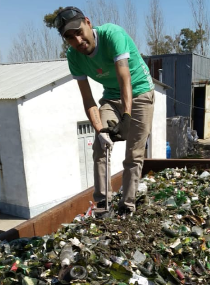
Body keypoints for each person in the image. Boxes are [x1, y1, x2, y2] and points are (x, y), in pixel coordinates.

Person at [54, 6, 155, 218]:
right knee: (101, 146)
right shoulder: (74, 56)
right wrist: (100, 130)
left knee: (134, 154)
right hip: (110, 97)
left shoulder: (112, 35)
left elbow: (124, 78)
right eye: (70, 37)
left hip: (140, 92)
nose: (78, 40)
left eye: (79, 32)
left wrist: (127, 117)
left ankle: (127, 205)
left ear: (88, 23)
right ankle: (102, 204)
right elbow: (88, 99)